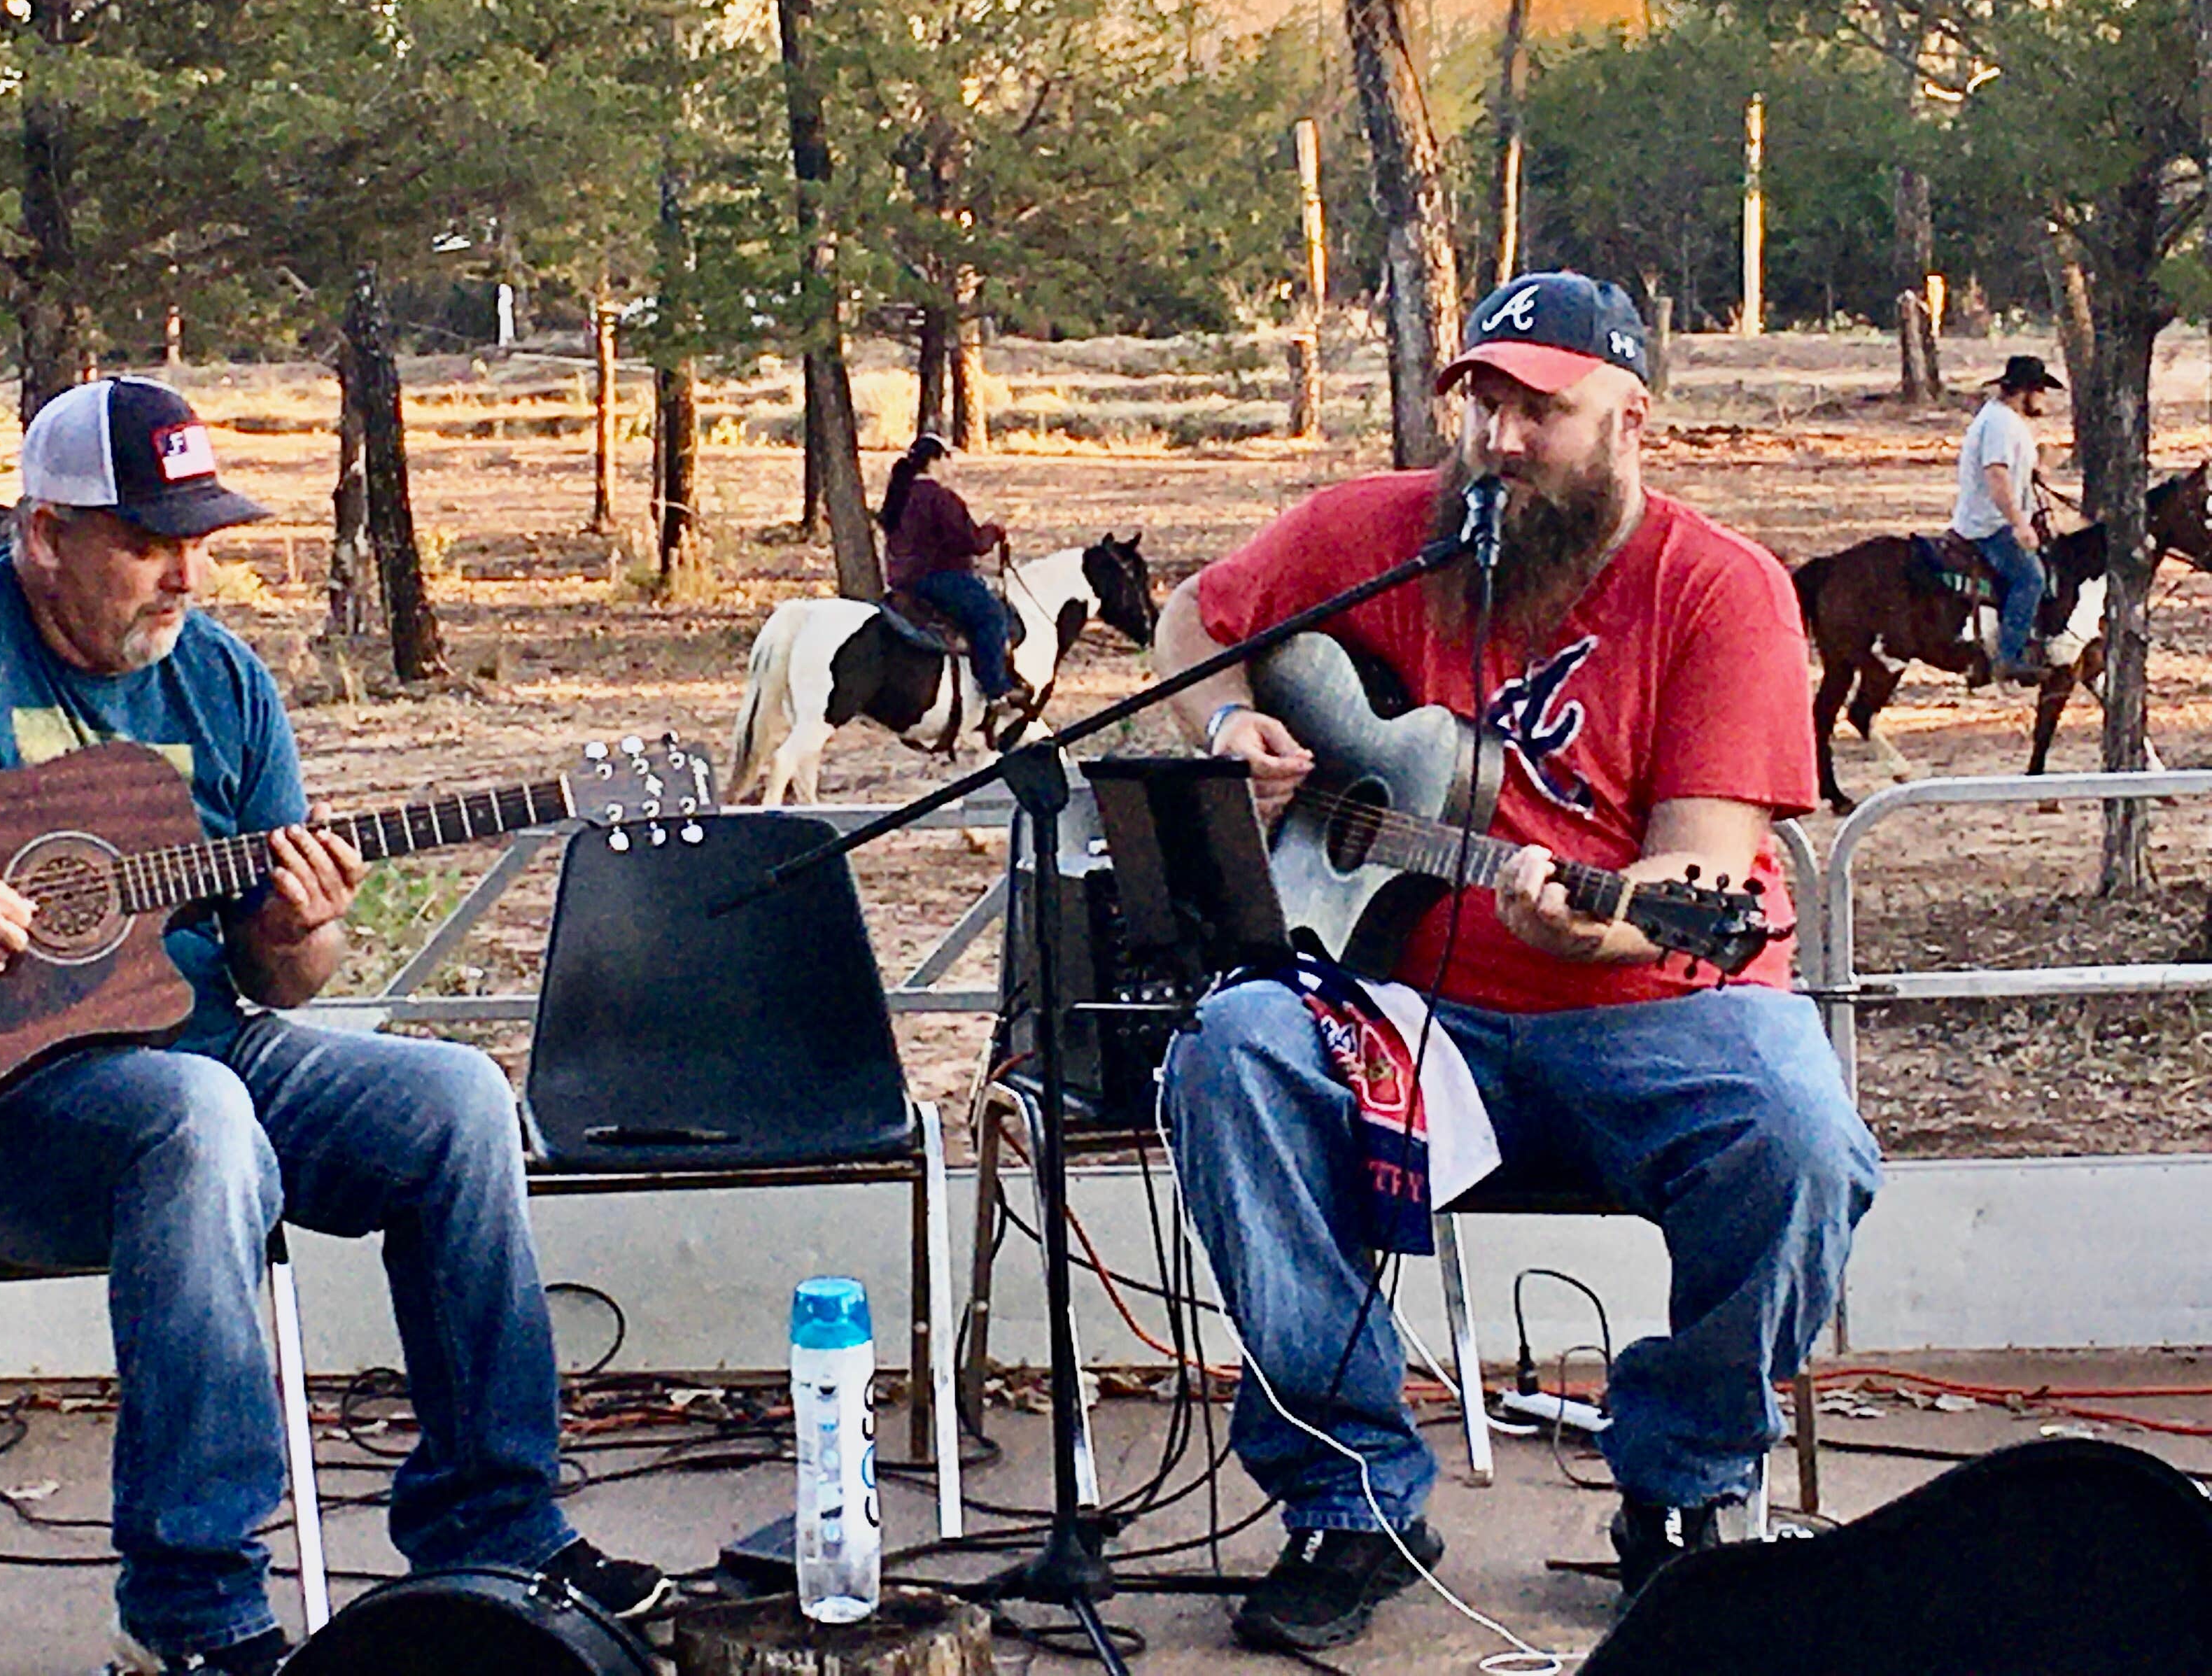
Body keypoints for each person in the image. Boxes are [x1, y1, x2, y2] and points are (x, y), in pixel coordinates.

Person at [0, 376, 668, 1676]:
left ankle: (500, 1530)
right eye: (144, 541)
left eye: (197, 538)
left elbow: (284, 979)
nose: (181, 574)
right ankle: (193, 1614)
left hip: (189, 1056)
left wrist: (298, 928)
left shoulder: (222, 680)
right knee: (200, 1116)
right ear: (42, 532)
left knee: (454, 1097)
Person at [1149, 273, 1880, 1654]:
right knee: (1232, 1051)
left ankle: (1686, 1485)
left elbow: (1704, 876)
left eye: (1538, 408)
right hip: (1414, 1005)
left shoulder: (1718, 591)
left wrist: (1585, 920)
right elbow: (1196, 620)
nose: (1497, 436)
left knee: (1802, 1139)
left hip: (1658, 1004)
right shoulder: (1372, 532)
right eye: (1479, 397)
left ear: (1629, 416)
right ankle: (1348, 1494)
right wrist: (1228, 728)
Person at [878, 433, 1029, 721]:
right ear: (935, 460)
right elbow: (971, 542)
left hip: (904, 580)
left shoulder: (900, 495)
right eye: (949, 458)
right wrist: (995, 530)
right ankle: (996, 689)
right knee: (991, 615)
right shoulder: (940, 499)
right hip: (938, 578)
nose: (953, 466)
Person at [1952, 353, 2061, 684]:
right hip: (1989, 525)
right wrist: (2019, 524)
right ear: (2026, 391)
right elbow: (1997, 476)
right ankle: (2009, 657)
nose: (2043, 399)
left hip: (1994, 520)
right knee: (2031, 578)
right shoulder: (2001, 424)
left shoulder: (2003, 420)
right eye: (2040, 391)